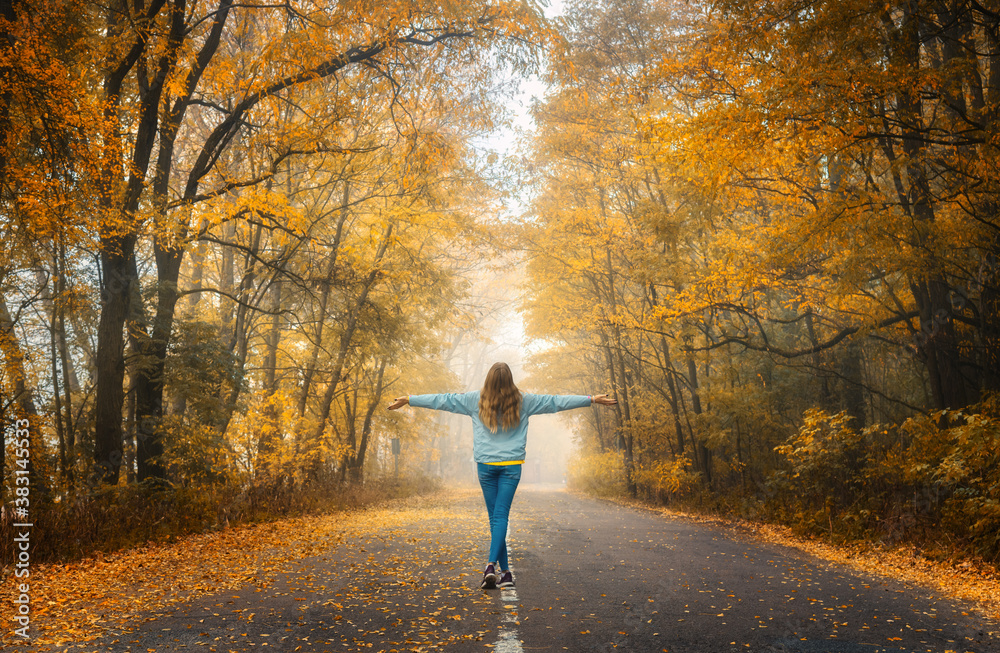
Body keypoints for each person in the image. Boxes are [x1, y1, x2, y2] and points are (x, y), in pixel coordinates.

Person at [386, 361, 617, 589]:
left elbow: (442, 400)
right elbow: (556, 402)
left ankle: (495, 568)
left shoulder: (473, 399)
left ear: (488, 379)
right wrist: (591, 399)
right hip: (511, 467)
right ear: (510, 381)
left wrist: (410, 399)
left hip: (485, 466)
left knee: (495, 518)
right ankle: (501, 572)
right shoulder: (525, 401)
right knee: (500, 516)